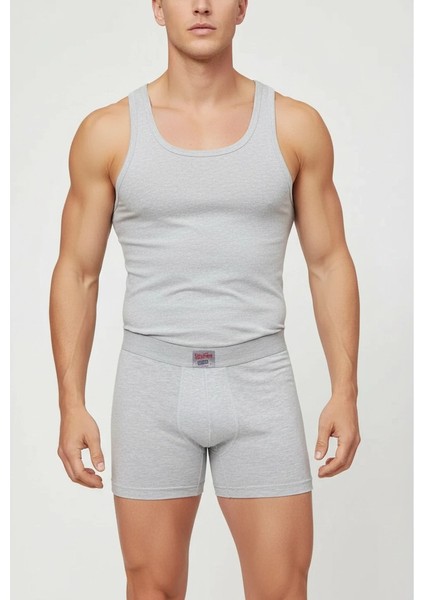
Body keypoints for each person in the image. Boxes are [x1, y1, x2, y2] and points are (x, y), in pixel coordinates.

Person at [49, 1, 361, 598]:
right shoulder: (108, 132)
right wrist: (71, 403)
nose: (200, 5)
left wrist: (345, 391)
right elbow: (77, 273)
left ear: (242, 7)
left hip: (259, 380)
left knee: (283, 590)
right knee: (151, 589)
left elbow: (328, 264)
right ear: (157, 7)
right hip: (152, 384)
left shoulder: (294, 127)